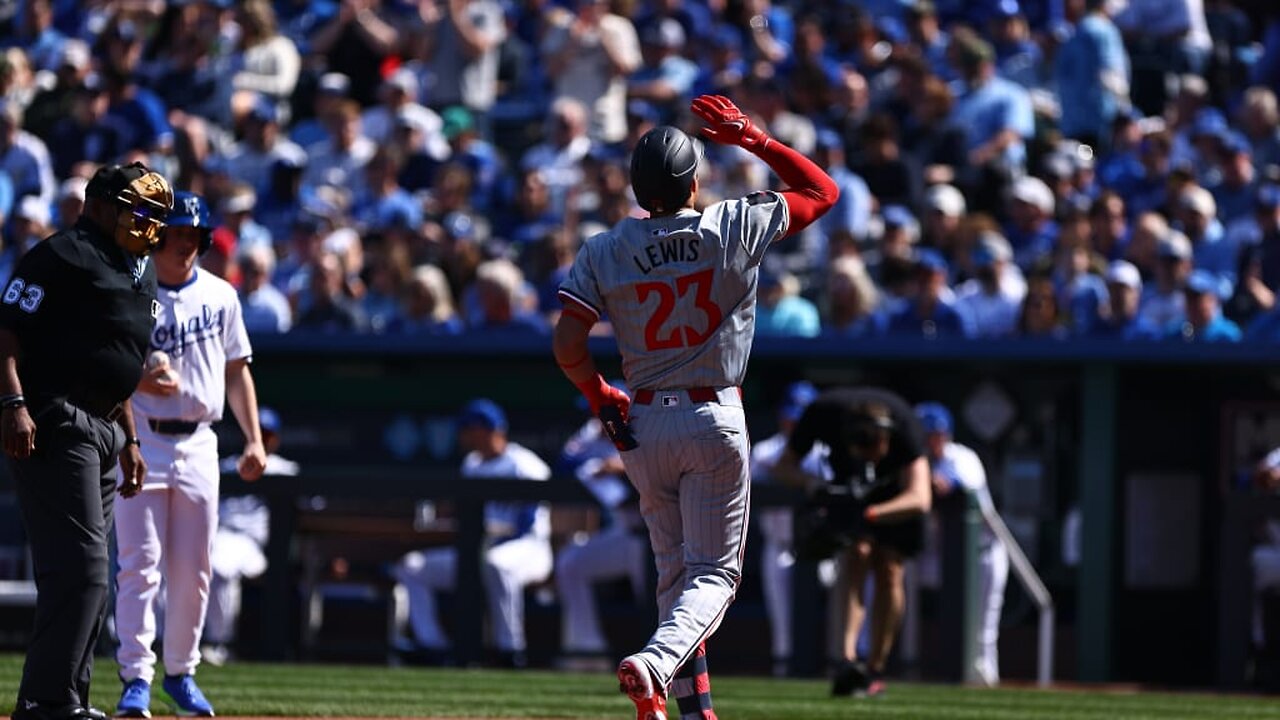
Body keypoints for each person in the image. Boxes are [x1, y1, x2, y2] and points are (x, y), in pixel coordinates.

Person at [552, 94, 837, 720]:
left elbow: (568, 342)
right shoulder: (731, 223)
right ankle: (654, 665)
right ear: (693, 180)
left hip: (644, 422)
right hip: (713, 414)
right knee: (714, 579)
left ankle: (693, 712)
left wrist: (599, 396)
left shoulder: (605, 247)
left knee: (676, 578)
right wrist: (754, 139)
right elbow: (822, 192)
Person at [0, 162, 173, 720]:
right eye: (138, 210)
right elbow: (7, 332)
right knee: (82, 567)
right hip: (55, 415)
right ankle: (47, 701)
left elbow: (120, 361)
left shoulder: (140, 267)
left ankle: (64, 698)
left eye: (155, 215)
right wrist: (13, 404)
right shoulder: (62, 254)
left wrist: (131, 437)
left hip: (105, 427)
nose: (148, 223)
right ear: (99, 204)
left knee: (88, 573)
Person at [113, 191, 267, 719]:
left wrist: (252, 438)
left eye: (192, 236)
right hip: (142, 439)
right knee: (140, 565)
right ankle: (136, 677)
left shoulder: (221, 295)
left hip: (200, 440)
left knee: (195, 567)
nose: (185, 244)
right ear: (156, 237)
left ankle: (180, 673)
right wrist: (137, 378)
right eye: (176, 234)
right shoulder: (133, 291)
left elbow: (237, 369)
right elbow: (101, 363)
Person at [771, 386, 931, 698]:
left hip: (893, 498)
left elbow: (920, 497)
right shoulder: (822, 414)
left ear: (886, 439)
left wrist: (870, 513)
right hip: (845, 489)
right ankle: (846, 661)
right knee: (856, 555)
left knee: (889, 568)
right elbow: (783, 467)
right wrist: (813, 484)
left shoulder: (905, 426)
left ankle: (875, 667)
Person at [392, 398, 552, 668]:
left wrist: (497, 534)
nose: (462, 435)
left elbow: (531, 520)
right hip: (478, 549)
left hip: (528, 549)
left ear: (484, 429)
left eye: (467, 428)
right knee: (412, 567)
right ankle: (434, 647)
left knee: (498, 564)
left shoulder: (524, 463)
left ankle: (510, 652)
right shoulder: (473, 464)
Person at [554, 382, 649, 671]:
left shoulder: (649, 430)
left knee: (659, 606)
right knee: (571, 564)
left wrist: (625, 465)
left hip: (665, 538)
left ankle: (666, 667)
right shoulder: (594, 439)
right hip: (628, 536)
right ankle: (589, 652)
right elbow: (565, 464)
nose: (595, 419)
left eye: (600, 412)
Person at [915, 402, 1008, 686]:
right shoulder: (921, 463)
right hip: (946, 556)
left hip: (984, 553)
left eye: (932, 435)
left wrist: (925, 480)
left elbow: (955, 484)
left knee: (983, 631)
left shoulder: (962, 457)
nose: (929, 441)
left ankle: (987, 684)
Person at [203, 406, 300, 667]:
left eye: (265, 433)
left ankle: (220, 642)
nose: (260, 436)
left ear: (275, 438)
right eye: (255, 430)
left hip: (255, 546)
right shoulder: (226, 465)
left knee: (220, 567)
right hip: (218, 536)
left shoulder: (284, 469)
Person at [749, 380, 826, 676]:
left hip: (823, 549)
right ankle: (785, 671)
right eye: (791, 416)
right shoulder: (766, 450)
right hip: (779, 545)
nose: (794, 423)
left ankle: (839, 664)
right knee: (783, 625)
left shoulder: (825, 450)